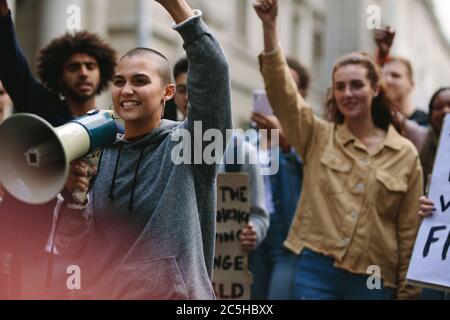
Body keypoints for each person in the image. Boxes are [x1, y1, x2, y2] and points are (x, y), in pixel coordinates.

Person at [51, 0, 232, 299]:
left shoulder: (190, 146)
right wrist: (73, 199)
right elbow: (71, 248)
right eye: (119, 81)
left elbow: (213, 74)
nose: (127, 90)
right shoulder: (96, 151)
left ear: (168, 92)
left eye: (140, 81)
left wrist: (177, 8)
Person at [253, 0, 422, 299]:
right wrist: (269, 26)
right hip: (317, 270)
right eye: (340, 86)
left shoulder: (405, 153)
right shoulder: (318, 136)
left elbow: (409, 230)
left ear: (376, 88)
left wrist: (408, 292)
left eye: (357, 85)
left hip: (374, 277)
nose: (348, 93)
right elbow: (282, 91)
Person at [0, 0, 117, 299]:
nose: (83, 73)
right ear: (59, 74)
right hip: (28, 243)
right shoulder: (39, 105)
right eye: (73, 67)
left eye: (90, 66)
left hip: (84, 252)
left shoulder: (110, 128)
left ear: (100, 73)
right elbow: (11, 65)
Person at [248, 57, 309, 300]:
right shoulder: (249, 139)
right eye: (273, 85)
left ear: (301, 93)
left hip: (290, 238)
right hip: (255, 234)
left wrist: (287, 145)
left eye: (287, 84)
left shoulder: (309, 135)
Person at [383, 57, 428, 127]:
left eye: (395, 76)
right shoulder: (376, 121)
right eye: (384, 76)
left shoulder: (427, 122)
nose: (387, 80)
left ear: (411, 84)